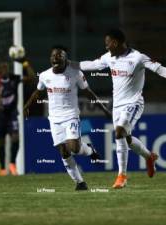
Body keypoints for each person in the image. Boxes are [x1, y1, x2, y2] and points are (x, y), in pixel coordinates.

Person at [71, 29, 166, 189]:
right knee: (127, 139)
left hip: (134, 104)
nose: (106, 47)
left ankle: (121, 176)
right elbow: (91, 64)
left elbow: (161, 70)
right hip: (117, 106)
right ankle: (149, 156)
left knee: (118, 132)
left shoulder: (138, 58)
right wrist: (70, 64)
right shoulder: (109, 58)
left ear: (116, 43)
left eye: (108, 43)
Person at [24, 46, 111, 191]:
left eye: (60, 55)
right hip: (54, 119)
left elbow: (88, 92)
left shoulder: (75, 73)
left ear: (66, 59)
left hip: (71, 116)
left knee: (74, 148)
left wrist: (104, 109)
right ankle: (80, 182)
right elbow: (37, 93)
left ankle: (89, 149)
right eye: (53, 56)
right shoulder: (45, 75)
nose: (56, 58)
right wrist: (27, 105)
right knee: (64, 152)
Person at [0, 58, 34, 176]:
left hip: (12, 115)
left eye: (6, 67)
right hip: (0, 116)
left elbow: (32, 78)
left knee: (15, 138)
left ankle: (12, 164)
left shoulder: (14, 78)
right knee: (0, 142)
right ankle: (2, 168)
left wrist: (25, 64)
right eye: (2, 67)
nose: (4, 69)